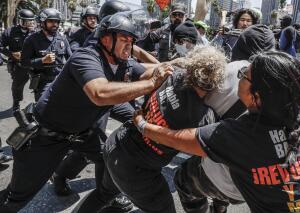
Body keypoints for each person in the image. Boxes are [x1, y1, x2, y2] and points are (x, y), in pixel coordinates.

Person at [0, 12, 172, 213]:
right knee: (17, 197)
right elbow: (100, 93)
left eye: (132, 41)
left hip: (80, 133)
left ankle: (106, 195)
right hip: (45, 138)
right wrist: (152, 83)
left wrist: (176, 66)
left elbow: (151, 69)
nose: (130, 46)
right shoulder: (86, 57)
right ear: (107, 38)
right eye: (125, 39)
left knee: (108, 155)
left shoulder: (121, 61)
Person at [133, 51, 300, 213]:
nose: (239, 77)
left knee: (184, 179)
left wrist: (141, 123)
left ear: (256, 97)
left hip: (231, 186)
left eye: (243, 76)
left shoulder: (238, 135)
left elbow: (175, 138)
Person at [75, 45, 226, 213]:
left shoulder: (171, 75)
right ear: (216, 82)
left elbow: (146, 75)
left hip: (116, 144)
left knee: (104, 194)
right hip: (137, 169)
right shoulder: (204, 118)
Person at [21, 8, 72, 101]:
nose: (55, 24)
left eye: (57, 22)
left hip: (61, 79)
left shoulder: (62, 39)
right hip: (43, 82)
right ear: (42, 22)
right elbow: (24, 62)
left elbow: (71, 59)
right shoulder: (31, 40)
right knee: (42, 108)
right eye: (51, 21)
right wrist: (43, 60)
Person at [0, 9, 36, 111]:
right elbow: (1, 46)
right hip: (19, 65)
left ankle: (40, 102)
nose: (28, 24)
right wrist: (12, 54)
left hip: (34, 62)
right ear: (20, 21)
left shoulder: (36, 32)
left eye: (30, 21)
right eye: (25, 21)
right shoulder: (10, 32)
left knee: (39, 82)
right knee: (17, 85)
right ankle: (16, 103)